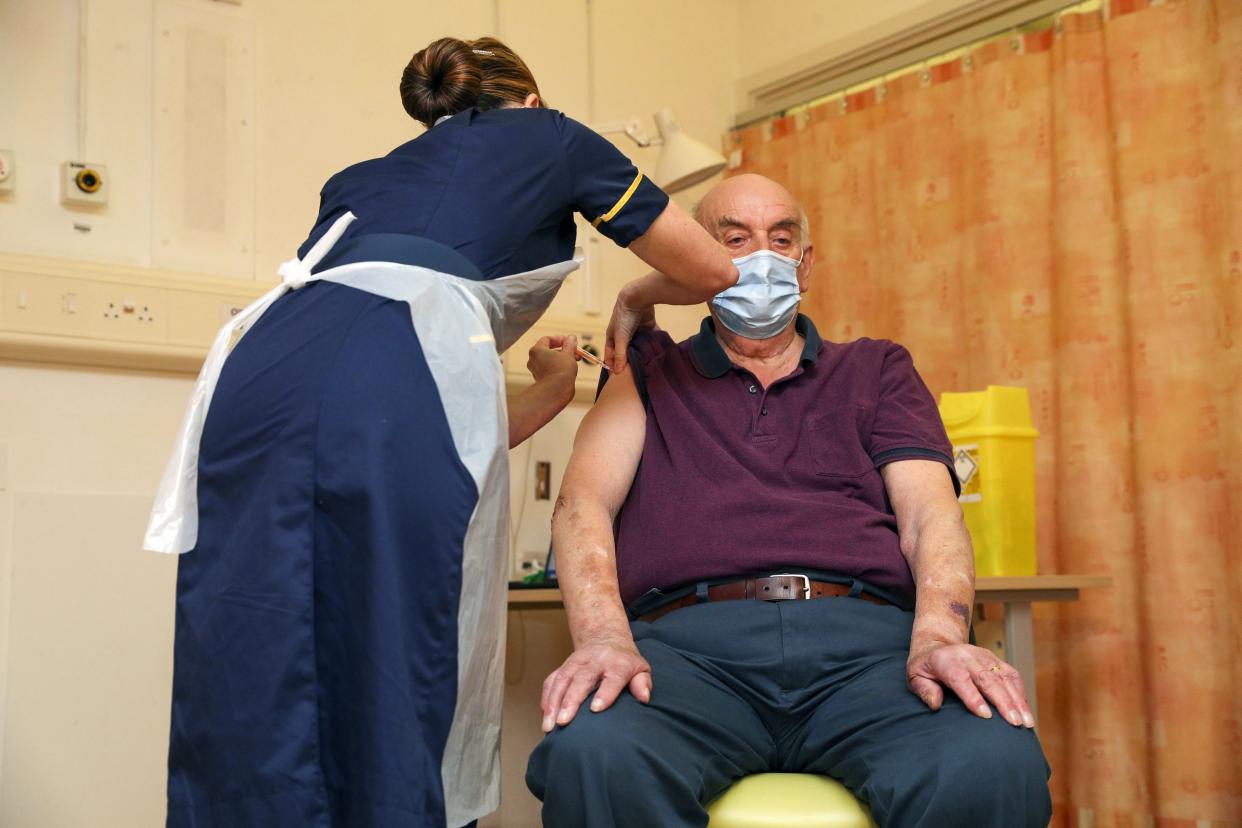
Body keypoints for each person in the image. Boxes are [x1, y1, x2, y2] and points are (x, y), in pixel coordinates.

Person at [145, 36, 736, 828]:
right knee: (395, 640)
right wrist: (632, 298)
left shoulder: (361, 181)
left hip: (256, 376)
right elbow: (711, 271)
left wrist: (553, 392)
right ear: (529, 97)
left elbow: (419, 435)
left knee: (259, 633)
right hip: (390, 374)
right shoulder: (551, 133)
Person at [526, 174, 1052, 827]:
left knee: (990, 759)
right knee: (595, 751)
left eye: (782, 238)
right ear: (698, 257)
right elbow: (582, 507)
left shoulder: (877, 369)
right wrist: (604, 639)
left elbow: (929, 512)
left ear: (806, 263)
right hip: (691, 654)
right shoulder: (652, 372)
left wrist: (939, 637)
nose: (763, 257)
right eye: (735, 239)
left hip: (867, 651)